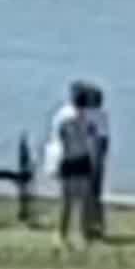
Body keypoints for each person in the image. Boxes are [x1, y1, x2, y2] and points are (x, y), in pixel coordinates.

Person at [45, 80, 94, 246]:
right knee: (66, 199)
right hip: (68, 158)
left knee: (84, 197)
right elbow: (59, 136)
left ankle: (82, 234)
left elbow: (90, 134)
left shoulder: (86, 115)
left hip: (82, 156)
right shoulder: (65, 115)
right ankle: (61, 234)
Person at [83, 85, 110, 240]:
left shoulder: (85, 115)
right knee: (96, 195)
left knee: (87, 195)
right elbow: (105, 141)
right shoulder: (103, 116)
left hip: (88, 158)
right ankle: (97, 227)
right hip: (98, 159)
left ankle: (88, 229)